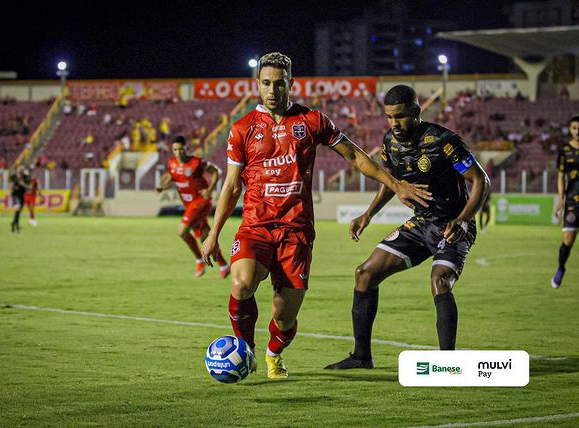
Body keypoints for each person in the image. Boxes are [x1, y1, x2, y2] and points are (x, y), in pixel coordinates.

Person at [200, 53, 431, 379]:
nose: (272, 90)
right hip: (255, 224)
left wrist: (396, 185)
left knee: (284, 315)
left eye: (279, 84)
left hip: (296, 230)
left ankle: (273, 353)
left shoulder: (312, 121)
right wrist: (213, 234)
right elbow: (231, 185)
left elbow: (353, 155)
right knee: (241, 284)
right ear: (257, 84)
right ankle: (245, 351)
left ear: (291, 84)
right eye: (266, 83)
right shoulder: (242, 129)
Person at [324, 84, 490, 370]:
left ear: (416, 111)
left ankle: (447, 366)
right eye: (389, 117)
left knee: (440, 281)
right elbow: (393, 184)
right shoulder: (391, 142)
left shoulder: (444, 141)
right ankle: (362, 357)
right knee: (364, 274)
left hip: (451, 226)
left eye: (400, 116)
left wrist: (462, 220)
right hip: (421, 224)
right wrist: (368, 214)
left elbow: (481, 181)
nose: (394, 124)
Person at [156, 135, 230, 279]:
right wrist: (163, 186)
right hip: (188, 204)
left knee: (182, 231)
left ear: (186, 149)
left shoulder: (196, 162)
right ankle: (223, 265)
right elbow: (173, 177)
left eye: (181, 149)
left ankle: (198, 260)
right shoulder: (172, 164)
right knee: (204, 236)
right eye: (175, 150)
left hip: (201, 201)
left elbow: (216, 172)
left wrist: (210, 190)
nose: (178, 153)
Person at [551, 114, 579, 288]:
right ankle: (561, 268)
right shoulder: (565, 151)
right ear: (570, 129)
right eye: (575, 128)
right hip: (573, 201)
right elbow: (561, 176)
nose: (578, 131)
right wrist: (561, 200)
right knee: (568, 240)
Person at [9, 165, 30, 233]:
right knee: (17, 209)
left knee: (18, 211)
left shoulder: (25, 177)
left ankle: (13, 224)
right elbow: (11, 185)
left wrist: (24, 185)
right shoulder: (13, 177)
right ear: (17, 169)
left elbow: (27, 185)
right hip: (15, 195)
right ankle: (16, 226)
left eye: (22, 168)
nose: (21, 169)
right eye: (19, 168)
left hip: (22, 195)